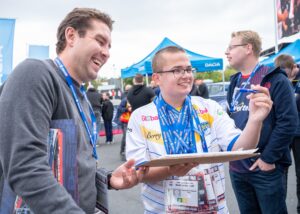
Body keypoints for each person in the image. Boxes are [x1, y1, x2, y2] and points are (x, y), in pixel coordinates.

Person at [0, 8, 147, 213]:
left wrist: (108, 179)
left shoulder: (83, 99)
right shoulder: (36, 74)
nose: (106, 52)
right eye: (100, 40)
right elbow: (26, 166)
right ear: (71, 36)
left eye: (109, 46)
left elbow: (72, 167)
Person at [126, 46, 273, 213]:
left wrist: (255, 120)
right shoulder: (140, 117)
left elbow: (241, 148)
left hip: (213, 208)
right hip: (161, 209)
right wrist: (169, 170)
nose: (187, 75)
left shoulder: (209, 108)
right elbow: (138, 171)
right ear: (157, 78)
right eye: (177, 70)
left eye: (189, 69)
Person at [225, 30, 298, 214]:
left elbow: (288, 122)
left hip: (265, 168)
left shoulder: (276, 79)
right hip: (238, 168)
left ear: (248, 48)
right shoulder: (234, 81)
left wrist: (268, 158)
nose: (226, 52)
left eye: (231, 47)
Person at [275, 54, 300, 213]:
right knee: (280, 172)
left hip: (298, 134)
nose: (283, 75)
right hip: (284, 133)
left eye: (286, 72)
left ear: (293, 68)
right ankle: (279, 207)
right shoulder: (277, 80)